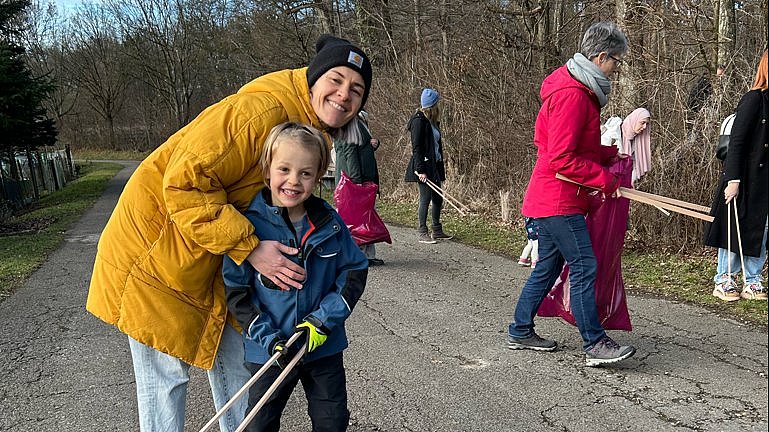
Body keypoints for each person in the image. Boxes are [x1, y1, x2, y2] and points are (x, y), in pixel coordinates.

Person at [85, 34, 372, 431]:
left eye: (356, 89)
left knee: (241, 370)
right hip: (156, 252)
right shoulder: (262, 111)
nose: (343, 95)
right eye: (336, 80)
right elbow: (183, 182)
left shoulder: (304, 124)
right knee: (168, 379)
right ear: (314, 77)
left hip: (209, 254)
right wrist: (250, 247)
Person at [506, 21, 636, 367]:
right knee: (584, 265)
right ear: (600, 56)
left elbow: (576, 147)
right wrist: (604, 180)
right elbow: (561, 158)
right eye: (615, 62)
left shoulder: (578, 91)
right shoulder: (573, 95)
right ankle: (594, 342)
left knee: (547, 269)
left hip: (553, 197)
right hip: (558, 200)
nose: (616, 69)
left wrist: (610, 156)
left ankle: (520, 330)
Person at [223, 122, 367, 431]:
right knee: (259, 423)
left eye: (305, 173)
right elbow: (237, 293)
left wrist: (323, 320)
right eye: (284, 169)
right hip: (269, 351)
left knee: (332, 422)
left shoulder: (330, 223)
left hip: (322, 345)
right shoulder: (247, 229)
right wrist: (269, 338)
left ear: (317, 177)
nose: (293, 181)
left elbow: (354, 271)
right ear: (267, 171)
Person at [704, 50, 768, 302]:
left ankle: (753, 281)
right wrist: (733, 181)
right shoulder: (754, 99)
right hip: (745, 178)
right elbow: (738, 142)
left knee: (760, 231)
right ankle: (724, 279)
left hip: (765, 183)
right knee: (734, 226)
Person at [334, 110, 385, 266]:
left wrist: (373, 144)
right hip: (354, 180)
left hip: (364, 178)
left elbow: (362, 146)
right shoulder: (348, 124)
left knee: (366, 217)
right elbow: (350, 153)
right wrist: (356, 182)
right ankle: (357, 255)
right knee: (356, 219)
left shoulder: (359, 121)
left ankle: (368, 255)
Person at [404, 88, 453, 244]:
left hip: (435, 165)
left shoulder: (432, 122)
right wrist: (420, 170)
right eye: (437, 104)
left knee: (438, 198)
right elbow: (417, 147)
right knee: (425, 199)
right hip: (423, 167)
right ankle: (422, 231)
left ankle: (437, 230)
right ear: (432, 106)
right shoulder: (418, 121)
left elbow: (435, 145)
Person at [619, 108, 652, 185]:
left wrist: (632, 180)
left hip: (625, 184)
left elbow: (635, 163)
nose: (644, 127)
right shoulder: (616, 133)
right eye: (642, 123)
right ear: (635, 120)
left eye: (646, 124)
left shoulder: (638, 138)